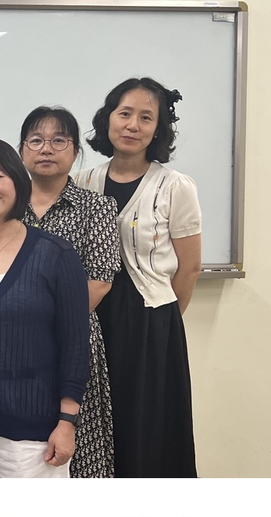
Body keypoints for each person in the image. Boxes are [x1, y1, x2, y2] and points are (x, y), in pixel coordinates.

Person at [73, 78, 201, 477]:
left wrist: (162, 323)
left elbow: (190, 267)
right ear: (107, 118)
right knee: (98, 421)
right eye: (125, 113)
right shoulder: (83, 182)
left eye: (146, 118)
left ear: (158, 129)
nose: (132, 125)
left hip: (150, 322)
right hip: (94, 316)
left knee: (148, 424)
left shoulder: (174, 186)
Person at [0, 137, 89, 478]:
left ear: (16, 179)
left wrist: (67, 421)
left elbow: (75, 345)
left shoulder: (56, 254)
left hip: (35, 434)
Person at [19, 106, 121, 479]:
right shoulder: (5, 208)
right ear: (21, 150)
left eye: (59, 140)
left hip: (73, 341)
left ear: (76, 151)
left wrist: (46, 327)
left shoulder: (98, 208)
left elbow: (100, 281)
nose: (47, 149)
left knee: (77, 451)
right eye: (36, 140)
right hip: (13, 344)